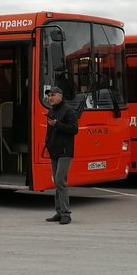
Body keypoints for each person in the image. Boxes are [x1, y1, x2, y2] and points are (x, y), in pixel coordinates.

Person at [43, 84, 79, 225]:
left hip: (65, 151)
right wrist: (48, 145)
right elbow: (50, 132)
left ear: (60, 96)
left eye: (52, 95)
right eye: (49, 95)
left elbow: (74, 129)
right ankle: (59, 212)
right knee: (56, 181)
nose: (50, 98)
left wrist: (57, 124)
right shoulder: (51, 111)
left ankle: (66, 214)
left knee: (60, 180)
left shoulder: (68, 111)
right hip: (54, 151)